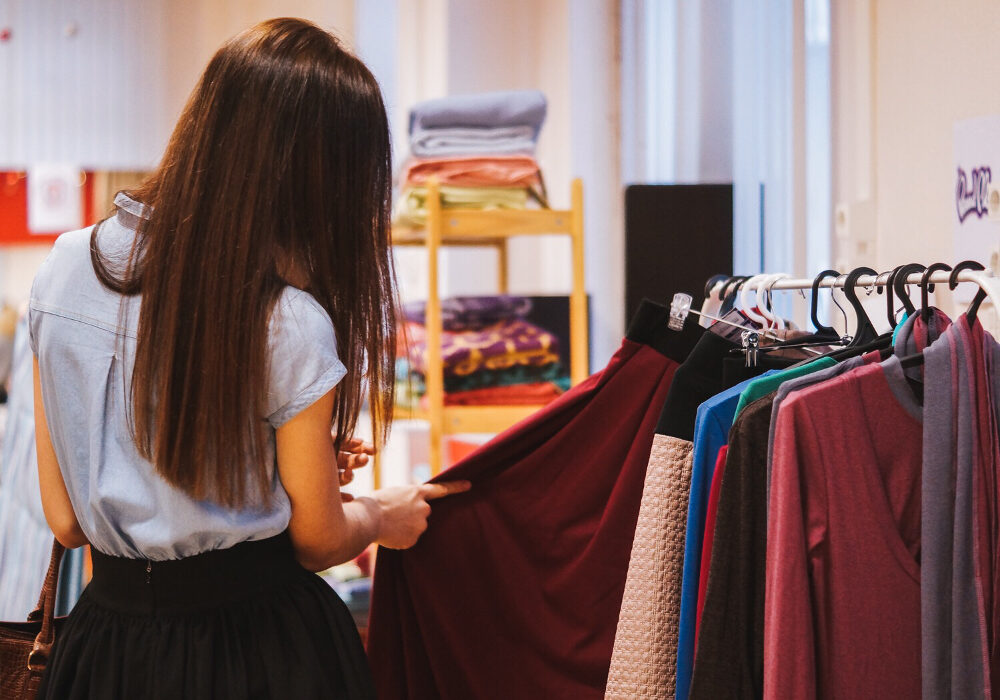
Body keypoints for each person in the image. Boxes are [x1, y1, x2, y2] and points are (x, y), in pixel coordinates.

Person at [29, 17, 468, 698]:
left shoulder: (62, 270)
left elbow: (66, 520)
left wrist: (267, 465)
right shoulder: (286, 320)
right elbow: (320, 539)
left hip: (104, 652)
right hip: (254, 652)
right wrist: (383, 514)